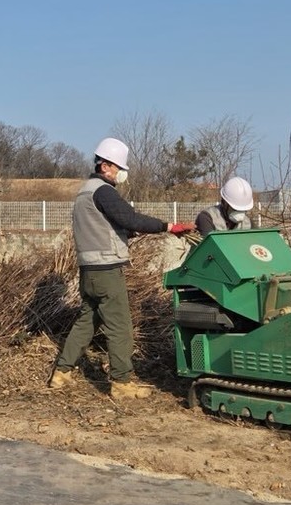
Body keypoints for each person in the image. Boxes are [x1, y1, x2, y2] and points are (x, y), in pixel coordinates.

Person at [48, 138, 196, 399]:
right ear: (105, 166)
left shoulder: (85, 192)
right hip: (106, 270)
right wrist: (168, 227)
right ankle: (121, 382)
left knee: (87, 320)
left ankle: (62, 372)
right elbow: (130, 217)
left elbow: (109, 226)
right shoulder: (104, 191)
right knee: (120, 326)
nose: (121, 173)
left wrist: (127, 233)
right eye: (118, 167)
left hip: (88, 271)